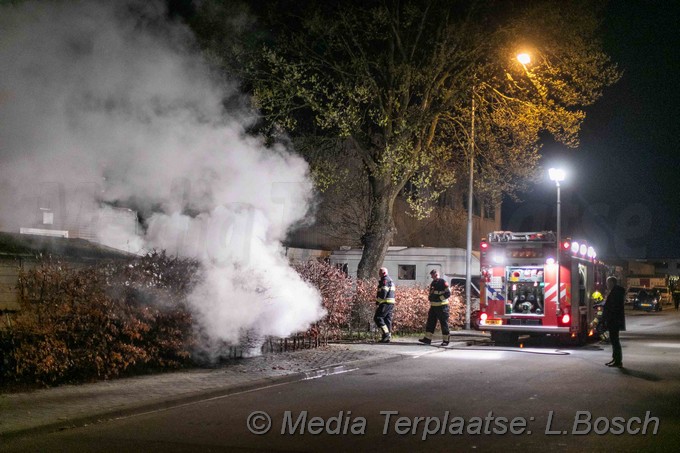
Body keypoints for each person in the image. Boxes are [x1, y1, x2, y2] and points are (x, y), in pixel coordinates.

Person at [418, 269, 452, 346]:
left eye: (432, 275)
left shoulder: (443, 282)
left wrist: (439, 298)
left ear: (436, 275)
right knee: (430, 323)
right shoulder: (433, 282)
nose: (431, 277)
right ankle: (427, 339)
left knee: (444, 323)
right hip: (433, 307)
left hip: (442, 307)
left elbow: (448, 293)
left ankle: (446, 340)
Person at [602, 276, 626, 368]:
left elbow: (613, 307)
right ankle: (615, 359)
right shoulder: (616, 292)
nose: (606, 285)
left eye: (608, 283)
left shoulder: (615, 293)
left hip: (614, 320)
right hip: (614, 320)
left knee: (615, 341)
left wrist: (607, 316)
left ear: (612, 283)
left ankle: (618, 360)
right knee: (614, 340)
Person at [374, 267, 396, 343]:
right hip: (390, 303)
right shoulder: (390, 280)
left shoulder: (385, 280)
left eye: (380, 272)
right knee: (387, 319)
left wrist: (378, 301)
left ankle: (386, 334)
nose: (379, 274)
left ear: (383, 273)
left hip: (385, 302)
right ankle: (387, 336)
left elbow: (383, 293)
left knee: (378, 318)